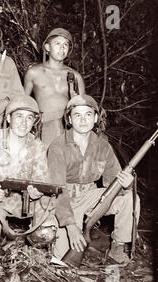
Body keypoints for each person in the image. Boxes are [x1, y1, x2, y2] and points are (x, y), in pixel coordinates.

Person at [47, 94, 140, 265]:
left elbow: (114, 182)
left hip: (91, 199)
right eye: (77, 115)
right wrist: (71, 226)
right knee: (61, 261)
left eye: (88, 114)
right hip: (63, 202)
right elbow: (57, 190)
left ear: (96, 118)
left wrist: (127, 186)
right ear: (69, 119)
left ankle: (118, 247)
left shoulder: (103, 146)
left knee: (129, 198)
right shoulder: (57, 147)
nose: (83, 120)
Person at [0, 95, 56, 261]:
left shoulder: (36, 146)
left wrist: (37, 193)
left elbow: (42, 179)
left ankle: (36, 253)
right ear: (8, 118)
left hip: (22, 201)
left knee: (47, 222)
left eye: (29, 118)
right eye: (19, 116)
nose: (24, 123)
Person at [24, 28, 85, 148]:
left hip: (68, 126)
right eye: (57, 43)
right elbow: (23, 103)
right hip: (45, 127)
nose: (62, 48)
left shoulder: (75, 76)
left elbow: (84, 107)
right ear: (47, 47)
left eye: (65, 45)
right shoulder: (34, 73)